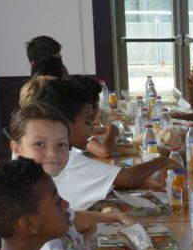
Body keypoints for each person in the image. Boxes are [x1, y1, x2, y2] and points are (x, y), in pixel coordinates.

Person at [4, 104, 164, 250]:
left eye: (61, 145)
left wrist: (114, 217)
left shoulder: (40, 183)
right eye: (40, 144)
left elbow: (71, 218)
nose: (53, 153)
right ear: (17, 148)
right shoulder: (27, 199)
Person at [38, 77, 177, 210]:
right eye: (87, 122)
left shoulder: (60, 155)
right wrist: (162, 161)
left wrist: (144, 183)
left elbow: (96, 182)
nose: (91, 128)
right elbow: (130, 178)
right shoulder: (68, 160)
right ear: (65, 124)